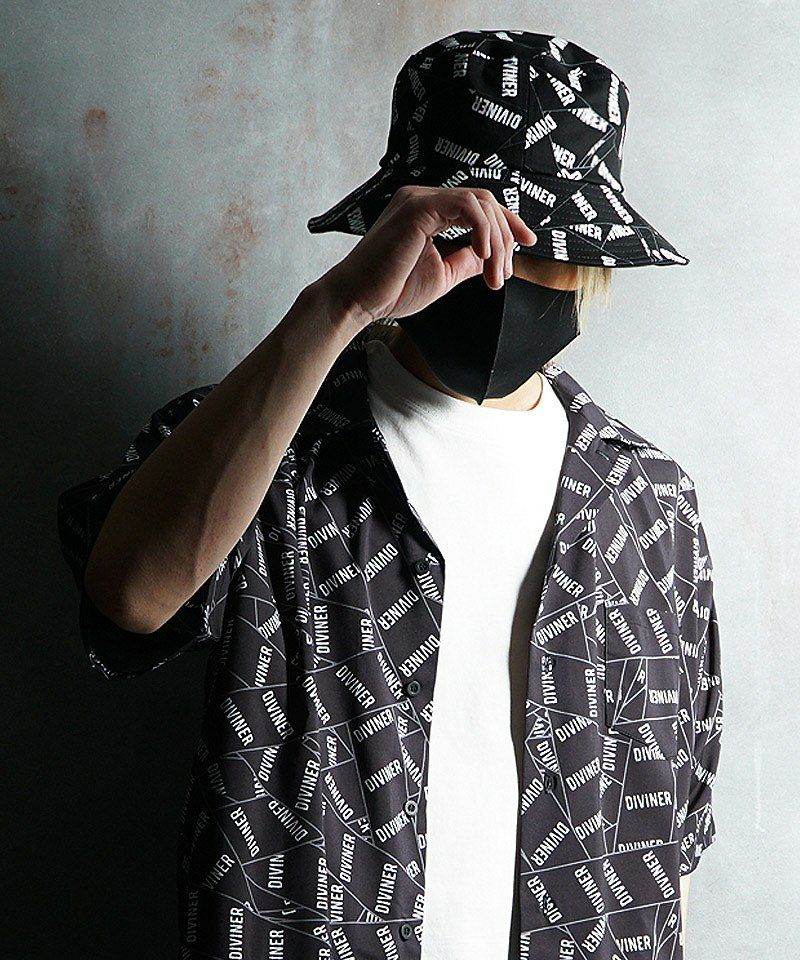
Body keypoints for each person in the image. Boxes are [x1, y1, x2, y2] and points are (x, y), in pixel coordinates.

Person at [57, 30, 722, 960]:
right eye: (463, 234)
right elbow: (130, 595)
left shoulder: (650, 504)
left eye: (539, 243)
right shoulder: (263, 447)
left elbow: (670, 843)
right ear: (401, 225)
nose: (499, 270)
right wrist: (339, 306)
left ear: (590, 260)